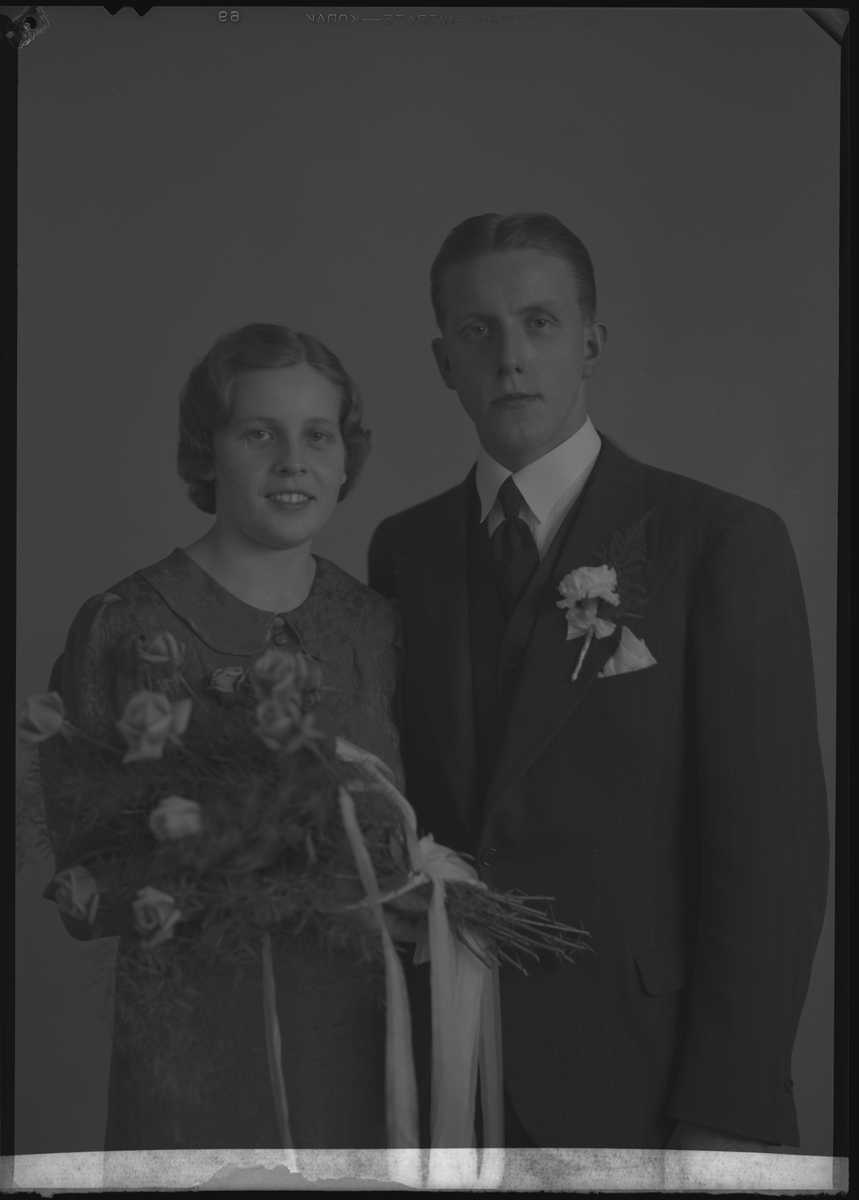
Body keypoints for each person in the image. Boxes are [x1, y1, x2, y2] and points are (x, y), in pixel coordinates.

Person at [367, 212, 830, 1151]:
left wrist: (727, 1112)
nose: (509, 357)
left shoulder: (720, 540)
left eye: (538, 323)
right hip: (452, 1080)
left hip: (655, 1078)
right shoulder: (403, 551)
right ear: (442, 361)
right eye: (477, 330)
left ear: (591, 343)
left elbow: (773, 860)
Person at [40, 323, 406, 1151]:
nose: (292, 461)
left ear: (345, 458)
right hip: (200, 1044)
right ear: (207, 451)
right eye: (258, 434)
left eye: (317, 436)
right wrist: (239, 849)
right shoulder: (127, 625)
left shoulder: (376, 628)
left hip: (364, 1041)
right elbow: (86, 875)